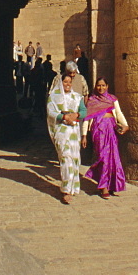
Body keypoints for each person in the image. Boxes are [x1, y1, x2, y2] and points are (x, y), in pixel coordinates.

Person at [82, 77, 128, 198]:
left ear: (107, 86)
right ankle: (103, 187)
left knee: (113, 158)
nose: (101, 88)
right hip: (99, 131)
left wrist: (125, 125)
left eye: (103, 85)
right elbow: (87, 119)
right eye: (98, 86)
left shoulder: (112, 99)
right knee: (102, 157)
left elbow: (118, 113)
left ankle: (112, 185)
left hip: (111, 130)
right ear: (95, 87)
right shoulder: (92, 100)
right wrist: (84, 135)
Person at [47, 70, 87, 204]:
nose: (68, 84)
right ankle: (65, 190)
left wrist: (75, 116)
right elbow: (51, 111)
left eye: (70, 82)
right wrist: (64, 117)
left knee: (74, 159)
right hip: (62, 130)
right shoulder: (54, 96)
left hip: (74, 131)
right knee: (65, 158)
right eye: (65, 82)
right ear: (61, 82)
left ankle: (73, 187)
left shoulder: (77, 97)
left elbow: (83, 110)